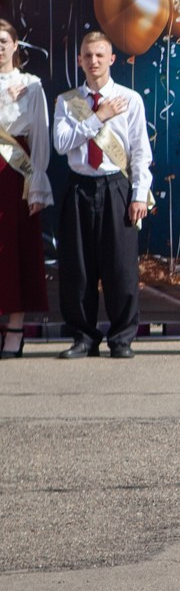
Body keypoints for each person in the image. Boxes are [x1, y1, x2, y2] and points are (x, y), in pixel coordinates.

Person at [52, 31, 154, 359]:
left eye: (99, 55)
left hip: (116, 187)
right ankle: (84, 337)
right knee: (78, 267)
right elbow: (61, 144)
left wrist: (139, 194)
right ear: (79, 60)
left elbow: (140, 151)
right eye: (87, 56)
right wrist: (98, 117)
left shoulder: (130, 99)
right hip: (79, 186)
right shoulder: (67, 101)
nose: (93, 61)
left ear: (111, 59)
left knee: (120, 266)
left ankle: (122, 338)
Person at [0, 20, 50, 359]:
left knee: (14, 247)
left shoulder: (30, 85)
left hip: (15, 172)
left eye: (3, 41)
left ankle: (15, 328)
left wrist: (38, 185)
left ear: (15, 45)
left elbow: (40, 136)